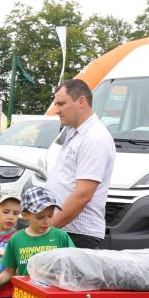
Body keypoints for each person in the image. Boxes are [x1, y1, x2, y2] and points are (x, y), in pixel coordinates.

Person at [46, 79, 116, 249]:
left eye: (61, 104)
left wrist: (46, 230)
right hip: (66, 230)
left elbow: (82, 195)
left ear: (81, 101)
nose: (56, 110)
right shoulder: (74, 132)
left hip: (78, 235)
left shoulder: (94, 138)